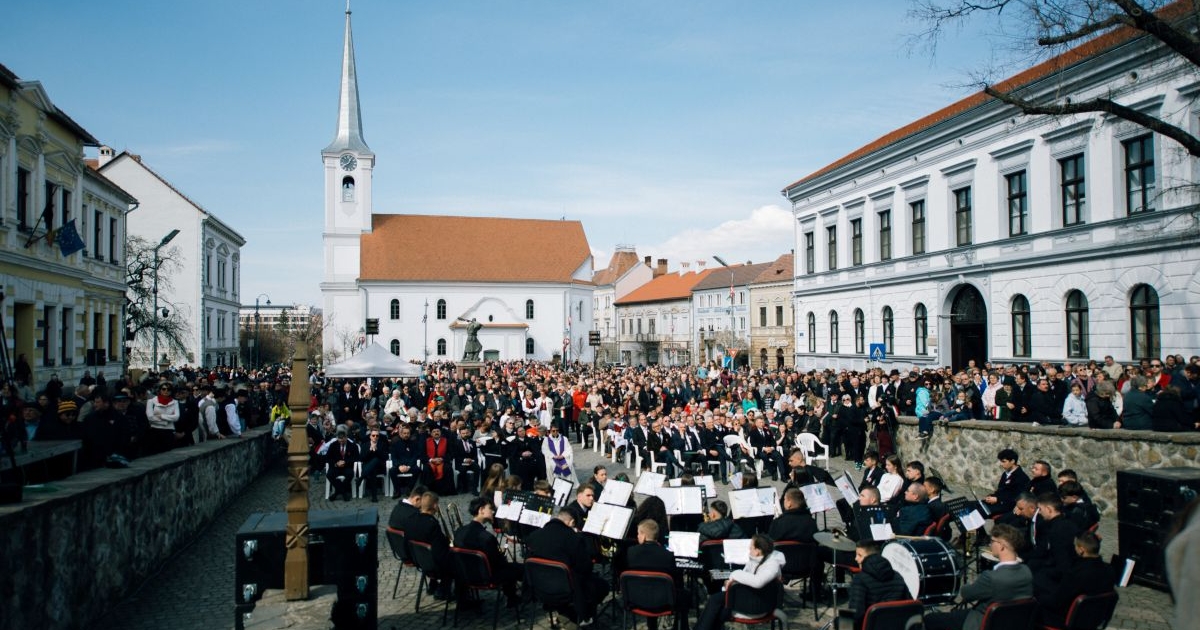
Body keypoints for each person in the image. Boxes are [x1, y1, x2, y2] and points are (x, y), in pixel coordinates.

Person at [924, 524, 1033, 630]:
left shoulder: (991, 578)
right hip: (1012, 622)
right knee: (956, 614)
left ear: (1002, 546)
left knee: (930, 619)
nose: (990, 545)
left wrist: (968, 585)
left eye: (992, 541)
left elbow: (967, 594)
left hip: (983, 621)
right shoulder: (1027, 571)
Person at [525, 510, 610, 624]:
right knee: (602, 586)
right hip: (568, 592)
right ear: (571, 522)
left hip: (540, 588)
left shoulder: (534, 536)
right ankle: (584, 617)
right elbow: (585, 568)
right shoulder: (573, 538)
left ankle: (566, 613)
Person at [694, 534, 786, 630]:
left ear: (758, 551)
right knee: (716, 605)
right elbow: (747, 576)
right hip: (751, 598)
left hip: (758, 606)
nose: (749, 550)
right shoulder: (756, 559)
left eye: (751, 547)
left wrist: (734, 575)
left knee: (715, 604)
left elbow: (758, 582)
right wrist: (733, 582)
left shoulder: (772, 565)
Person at [453, 497, 522, 608]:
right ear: (481, 510)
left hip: (465, 575)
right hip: (486, 577)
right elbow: (499, 564)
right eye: (490, 508)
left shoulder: (459, 532)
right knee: (517, 568)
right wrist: (501, 556)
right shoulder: (487, 538)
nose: (493, 511)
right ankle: (513, 598)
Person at [1038, 532, 1116, 628]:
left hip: (1069, 619)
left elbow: (1056, 602)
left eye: (1075, 546)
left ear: (1081, 550)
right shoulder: (1110, 570)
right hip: (1094, 618)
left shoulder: (1077, 573)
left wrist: (1037, 598)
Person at [624, 519, 691, 630]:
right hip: (663, 602)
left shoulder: (631, 552)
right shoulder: (668, 555)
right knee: (685, 594)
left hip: (636, 599)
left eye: (638, 533)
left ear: (644, 536)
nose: (637, 536)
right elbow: (676, 581)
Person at [847, 540, 910, 630]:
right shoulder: (897, 575)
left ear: (870, 557)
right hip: (898, 625)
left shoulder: (860, 579)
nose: (855, 559)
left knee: (841, 620)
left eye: (860, 555)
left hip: (872, 626)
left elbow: (856, 614)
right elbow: (908, 602)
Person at [406, 492, 454, 600]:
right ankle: (446, 590)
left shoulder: (411, 519)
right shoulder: (432, 524)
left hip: (419, 561)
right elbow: (440, 552)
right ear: (435, 506)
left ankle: (433, 585)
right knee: (456, 560)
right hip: (434, 564)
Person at [982, 448, 1029, 516]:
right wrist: (991, 497)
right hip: (998, 503)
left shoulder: (1021, 478)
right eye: (1001, 461)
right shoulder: (1006, 474)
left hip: (1007, 507)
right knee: (969, 506)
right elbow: (1001, 491)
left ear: (1012, 461)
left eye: (1004, 461)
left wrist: (998, 499)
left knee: (977, 512)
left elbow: (1016, 498)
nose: (1001, 464)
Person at [144, 382, 180, 455]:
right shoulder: (151, 402)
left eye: (168, 389)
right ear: (160, 390)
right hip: (155, 430)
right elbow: (150, 417)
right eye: (163, 389)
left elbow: (176, 417)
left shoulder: (175, 402)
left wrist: (161, 416)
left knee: (168, 453)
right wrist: (166, 421)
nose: (166, 391)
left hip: (169, 432)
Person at [326, 424, 360, 501]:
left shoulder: (352, 446)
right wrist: (336, 463)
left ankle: (336, 493)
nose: (341, 442)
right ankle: (343, 492)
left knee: (350, 474)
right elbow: (328, 458)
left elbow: (356, 458)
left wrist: (345, 462)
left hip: (347, 466)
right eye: (339, 440)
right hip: (336, 466)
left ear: (346, 437)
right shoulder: (333, 445)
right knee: (329, 474)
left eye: (342, 440)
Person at [388, 423, 421, 498]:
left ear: (410, 434)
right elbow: (394, 457)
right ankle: (397, 491)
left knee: (417, 470)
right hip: (399, 465)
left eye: (408, 433)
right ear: (401, 433)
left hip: (410, 465)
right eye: (404, 433)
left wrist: (409, 466)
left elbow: (415, 456)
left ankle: (409, 489)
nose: (406, 435)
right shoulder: (395, 443)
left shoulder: (413, 443)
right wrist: (399, 466)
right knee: (392, 471)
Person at [359, 426, 388, 502]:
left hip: (380, 467)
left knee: (375, 460)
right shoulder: (365, 445)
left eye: (377, 436)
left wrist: (376, 450)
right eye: (373, 435)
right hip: (368, 468)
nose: (375, 437)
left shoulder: (382, 444)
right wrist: (370, 450)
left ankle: (361, 478)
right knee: (372, 470)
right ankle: (374, 496)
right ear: (370, 436)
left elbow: (385, 457)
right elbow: (362, 458)